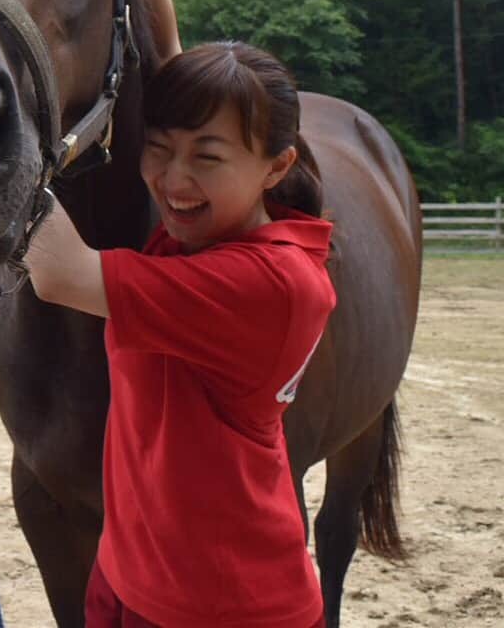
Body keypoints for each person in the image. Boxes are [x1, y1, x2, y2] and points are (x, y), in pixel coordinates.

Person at [25, 41, 336, 628]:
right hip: (129, 572)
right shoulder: (205, 237)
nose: (173, 179)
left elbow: (59, 273)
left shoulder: (269, 283)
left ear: (276, 166)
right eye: (159, 149)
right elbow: (164, 40)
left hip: (220, 605)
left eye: (207, 157)